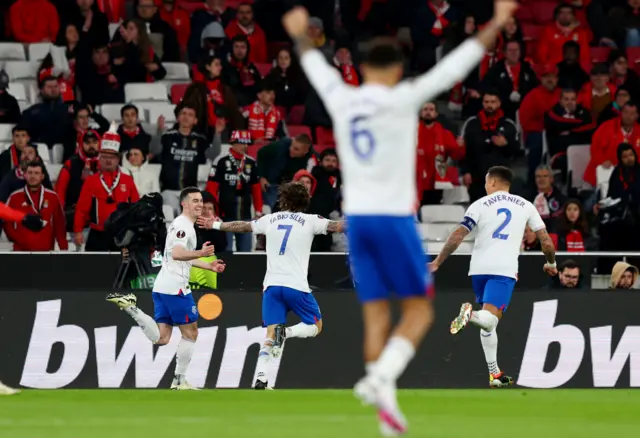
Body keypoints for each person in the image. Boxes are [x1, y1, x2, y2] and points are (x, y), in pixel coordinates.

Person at [283, 2, 517, 434]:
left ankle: (385, 410)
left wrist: (301, 34)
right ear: (394, 72)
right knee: (418, 312)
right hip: (393, 219)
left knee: (375, 314)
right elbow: (456, 65)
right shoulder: (405, 97)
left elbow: (315, 64)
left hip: (358, 223)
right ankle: (382, 377)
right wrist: (498, 22)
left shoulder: (343, 97)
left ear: (364, 69)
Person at [197, 182, 344, 389]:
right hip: (296, 285)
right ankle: (287, 333)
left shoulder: (270, 219)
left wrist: (215, 225)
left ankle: (261, 377)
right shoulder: (311, 221)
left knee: (270, 334)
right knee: (315, 326)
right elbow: (338, 226)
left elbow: (243, 226)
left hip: (272, 287)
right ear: (305, 201)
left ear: (283, 199)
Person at [430, 166, 557, 388]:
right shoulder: (526, 205)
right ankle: (470, 315)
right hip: (504, 269)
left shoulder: (479, 204)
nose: (486, 186)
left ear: (495, 183)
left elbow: (458, 235)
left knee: (489, 324)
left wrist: (437, 262)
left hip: (478, 269)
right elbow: (545, 240)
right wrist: (551, 263)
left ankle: (494, 373)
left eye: (487, 182)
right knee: (490, 318)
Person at [106, 187, 226, 390]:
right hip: (176, 287)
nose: (199, 205)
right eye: (194, 201)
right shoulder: (183, 227)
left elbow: (175, 257)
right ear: (184, 204)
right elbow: (179, 254)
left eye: (201, 201)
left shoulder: (182, 225)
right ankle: (179, 380)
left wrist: (209, 265)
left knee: (162, 338)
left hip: (164, 284)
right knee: (191, 333)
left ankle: (131, 307)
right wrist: (202, 252)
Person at [74, 127, 139, 251]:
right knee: (94, 268)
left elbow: (135, 207)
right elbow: (82, 209)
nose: (108, 160)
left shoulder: (127, 180)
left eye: (112, 157)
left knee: (122, 268)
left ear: (118, 159)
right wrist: (78, 231)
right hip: (97, 234)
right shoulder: (91, 181)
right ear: (99, 159)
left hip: (121, 234)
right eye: (105, 157)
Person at [205, 130, 263, 252]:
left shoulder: (251, 162)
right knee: (226, 251)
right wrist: (213, 212)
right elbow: (211, 189)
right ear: (233, 143)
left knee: (246, 252)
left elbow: (256, 188)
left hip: (245, 216)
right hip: (225, 216)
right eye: (242, 143)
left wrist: (258, 210)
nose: (245, 146)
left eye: (247, 143)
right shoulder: (220, 161)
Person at [460, 90, 519, 203]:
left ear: (499, 103)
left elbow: (516, 151)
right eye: (486, 102)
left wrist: (506, 145)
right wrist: (465, 171)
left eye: (493, 102)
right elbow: (464, 150)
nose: (489, 105)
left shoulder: (508, 124)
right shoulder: (471, 123)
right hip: (476, 177)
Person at [154, 103, 210, 216]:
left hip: (191, 191)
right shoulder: (167, 136)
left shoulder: (200, 140)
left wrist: (218, 134)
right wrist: (159, 131)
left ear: (195, 120)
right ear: (178, 118)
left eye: (190, 114)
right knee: (171, 222)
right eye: (183, 113)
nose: (186, 116)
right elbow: (154, 150)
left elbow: (213, 155)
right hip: (169, 190)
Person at [4, 162, 68, 252]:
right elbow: (7, 222)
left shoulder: (53, 197)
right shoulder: (15, 197)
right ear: (25, 175)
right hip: (21, 253)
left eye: (36, 173)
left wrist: (64, 249)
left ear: (42, 176)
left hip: (45, 253)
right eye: (30, 173)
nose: (32, 176)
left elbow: (59, 226)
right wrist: (17, 239)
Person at [519, 65, 561, 184]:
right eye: (546, 77)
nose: (550, 80)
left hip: (559, 133)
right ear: (540, 79)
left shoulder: (562, 94)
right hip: (538, 133)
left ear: (557, 79)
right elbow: (525, 121)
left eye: (552, 77)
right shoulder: (533, 95)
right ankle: (533, 182)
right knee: (537, 143)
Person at [416, 102, 463, 205]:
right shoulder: (412, 133)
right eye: (425, 109)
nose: (428, 112)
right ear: (420, 113)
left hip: (436, 184)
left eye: (431, 110)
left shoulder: (445, 134)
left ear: (436, 114)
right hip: (415, 182)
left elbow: (456, 155)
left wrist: (460, 146)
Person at [584, 102, 640, 186]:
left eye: (632, 113)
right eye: (625, 112)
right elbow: (595, 147)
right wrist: (602, 160)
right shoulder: (607, 126)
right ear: (621, 113)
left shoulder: (638, 130)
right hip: (601, 175)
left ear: (637, 116)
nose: (628, 116)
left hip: (629, 177)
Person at [481, 40, 538, 120]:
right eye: (510, 50)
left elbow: (535, 89)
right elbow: (487, 88)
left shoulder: (527, 69)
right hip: (501, 112)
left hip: (524, 111)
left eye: (516, 50)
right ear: (505, 53)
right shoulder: (495, 70)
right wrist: (505, 97)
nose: (513, 53)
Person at [529, 164, 567, 229]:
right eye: (538, 176)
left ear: (551, 179)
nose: (541, 179)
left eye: (545, 176)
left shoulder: (562, 199)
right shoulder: (527, 198)